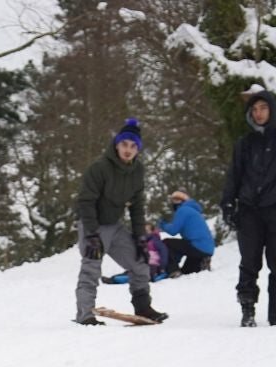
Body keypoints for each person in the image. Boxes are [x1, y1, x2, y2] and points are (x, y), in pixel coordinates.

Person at [221, 89, 276, 327]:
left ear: (272, 110)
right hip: (249, 209)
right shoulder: (244, 144)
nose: (259, 114)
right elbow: (234, 176)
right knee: (249, 261)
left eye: (263, 108)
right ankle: (247, 309)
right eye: (255, 109)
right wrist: (228, 204)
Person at [74, 118, 167, 326]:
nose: (128, 150)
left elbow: (137, 206)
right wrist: (91, 235)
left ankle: (143, 306)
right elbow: (86, 202)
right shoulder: (99, 168)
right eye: (124, 144)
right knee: (91, 268)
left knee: (140, 262)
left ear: (138, 149)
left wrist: (140, 238)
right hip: (93, 225)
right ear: (117, 144)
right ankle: (85, 314)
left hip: (115, 227)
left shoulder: (138, 171)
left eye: (133, 146)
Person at [157, 190, 216, 275]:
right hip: (206, 248)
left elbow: (173, 231)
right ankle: (202, 261)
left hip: (197, 246)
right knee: (187, 272)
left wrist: (162, 224)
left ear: (182, 200)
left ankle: (173, 270)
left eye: (177, 199)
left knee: (167, 242)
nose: (174, 202)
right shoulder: (193, 210)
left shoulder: (183, 210)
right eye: (173, 200)